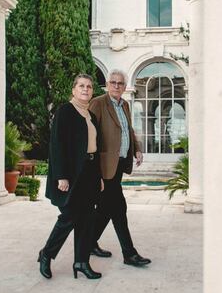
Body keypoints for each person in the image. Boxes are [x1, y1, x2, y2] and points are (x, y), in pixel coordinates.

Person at [38, 74, 103, 280]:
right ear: (74, 90)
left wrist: (99, 176)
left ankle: (82, 262)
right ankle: (46, 254)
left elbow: (95, 148)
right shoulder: (65, 111)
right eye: (81, 86)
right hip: (71, 175)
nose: (86, 89)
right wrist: (61, 176)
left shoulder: (90, 115)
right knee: (69, 217)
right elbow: (57, 146)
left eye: (89, 87)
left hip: (90, 172)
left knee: (87, 219)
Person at [89, 69, 152, 267]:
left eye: (120, 83)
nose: (116, 86)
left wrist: (137, 150)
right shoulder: (98, 103)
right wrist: (92, 169)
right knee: (119, 208)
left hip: (120, 164)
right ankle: (129, 253)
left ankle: (89, 242)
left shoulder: (124, 104)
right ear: (107, 84)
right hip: (104, 166)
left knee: (106, 208)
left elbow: (128, 130)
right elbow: (90, 134)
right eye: (113, 82)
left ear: (125, 87)